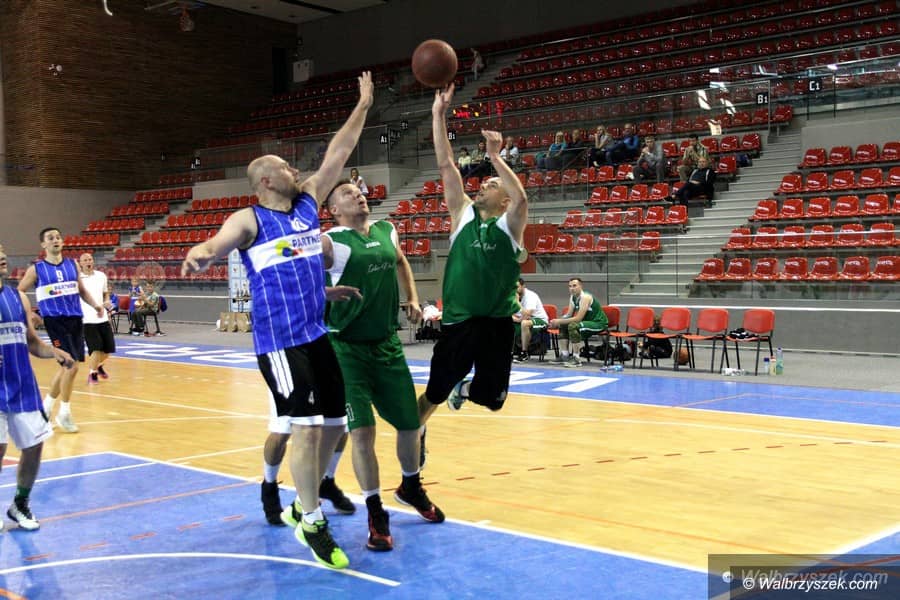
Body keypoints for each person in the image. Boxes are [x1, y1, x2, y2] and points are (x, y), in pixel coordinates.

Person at [181, 71, 374, 571]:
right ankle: (310, 519)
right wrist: (201, 253)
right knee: (304, 428)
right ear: (266, 180)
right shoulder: (249, 219)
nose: (295, 168)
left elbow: (338, 152)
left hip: (316, 334)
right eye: (285, 166)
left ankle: (303, 500)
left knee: (335, 424)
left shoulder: (308, 202)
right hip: (280, 343)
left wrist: (363, 105)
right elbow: (217, 242)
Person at [321, 178, 444, 551]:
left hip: (387, 344)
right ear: (334, 210)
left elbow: (401, 261)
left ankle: (411, 486)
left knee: (410, 425)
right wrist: (325, 292)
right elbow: (293, 279)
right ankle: (376, 512)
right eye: (347, 193)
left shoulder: (387, 230)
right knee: (362, 432)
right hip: (346, 349)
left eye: (359, 191)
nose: (358, 194)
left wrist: (413, 297)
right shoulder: (330, 242)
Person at [416, 82, 527, 428]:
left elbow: (522, 198)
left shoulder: (509, 225)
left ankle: (463, 389)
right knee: (434, 392)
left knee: (493, 400)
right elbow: (446, 165)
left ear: (504, 200)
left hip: (497, 323)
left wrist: (496, 157)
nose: (482, 186)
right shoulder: (463, 214)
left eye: (491, 185)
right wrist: (438, 114)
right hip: (460, 320)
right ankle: (415, 434)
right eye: (483, 183)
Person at [0, 244, 75, 531]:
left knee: (33, 446)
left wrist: (54, 352)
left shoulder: (18, 297)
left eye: (3, 251)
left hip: (23, 387)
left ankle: (20, 503)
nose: (2, 256)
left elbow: (31, 341)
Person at [16, 228, 104, 433]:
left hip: (75, 319)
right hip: (54, 321)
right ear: (43, 245)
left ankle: (45, 409)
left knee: (67, 367)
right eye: (51, 238)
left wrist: (96, 305)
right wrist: (29, 313)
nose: (55, 240)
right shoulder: (36, 269)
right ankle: (64, 413)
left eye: (58, 237)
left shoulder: (73, 264)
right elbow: (19, 291)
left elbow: (81, 290)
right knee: (70, 365)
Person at [549, 278, 607, 368]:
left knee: (573, 326)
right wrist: (555, 321)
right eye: (570, 286)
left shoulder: (585, 297)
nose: (572, 288)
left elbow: (578, 319)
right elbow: (568, 315)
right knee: (563, 325)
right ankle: (565, 355)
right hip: (587, 322)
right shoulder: (573, 297)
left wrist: (559, 321)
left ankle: (576, 359)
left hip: (598, 323)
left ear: (581, 286)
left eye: (574, 286)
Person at [78, 253, 116, 384]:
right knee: (96, 348)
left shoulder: (101, 276)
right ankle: (92, 374)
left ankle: (98, 366)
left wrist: (107, 301)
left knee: (108, 350)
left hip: (102, 317)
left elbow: (106, 293)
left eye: (90, 259)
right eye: (85, 260)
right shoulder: (77, 279)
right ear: (80, 263)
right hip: (87, 319)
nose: (88, 262)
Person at [512, 278, 548, 362]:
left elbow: (527, 315)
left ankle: (524, 353)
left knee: (525, 323)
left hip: (539, 320)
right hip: (521, 320)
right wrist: (516, 320)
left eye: (517, 287)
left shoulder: (531, 296)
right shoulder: (511, 296)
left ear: (523, 286)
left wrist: (517, 302)